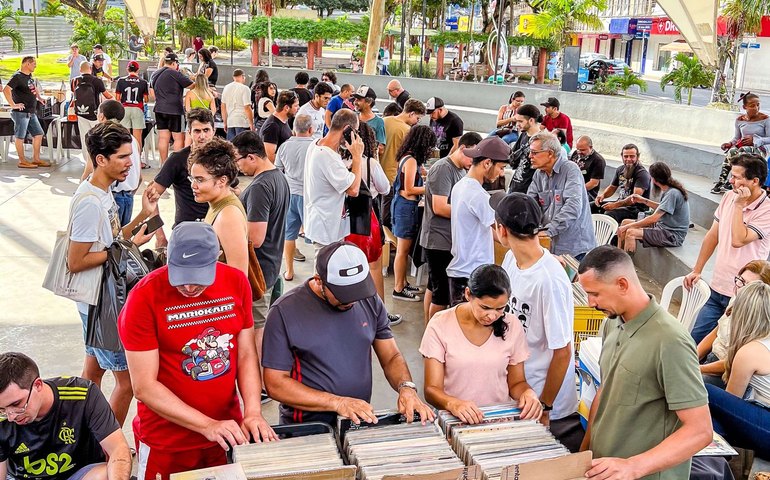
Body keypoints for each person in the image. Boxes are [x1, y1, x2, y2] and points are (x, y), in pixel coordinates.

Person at [118, 222, 276, 480]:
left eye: (199, 277)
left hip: (226, 434)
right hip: (167, 441)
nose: (189, 287)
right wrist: (207, 425)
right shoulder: (144, 297)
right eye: (181, 276)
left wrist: (253, 412)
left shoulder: (236, 282)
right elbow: (144, 386)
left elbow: (246, 355)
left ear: (217, 258)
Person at [262, 241, 434, 426]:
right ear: (319, 280)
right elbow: (275, 383)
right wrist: (337, 402)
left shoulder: (368, 299)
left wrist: (406, 387)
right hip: (308, 426)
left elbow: (391, 356)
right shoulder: (284, 312)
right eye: (343, 293)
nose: (352, 300)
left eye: (357, 290)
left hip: (356, 419)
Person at [578, 246, 713, 479]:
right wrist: (585, 451)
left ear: (622, 284)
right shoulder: (612, 322)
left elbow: (700, 431)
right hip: (605, 468)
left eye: (595, 294)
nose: (590, 303)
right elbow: (605, 390)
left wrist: (633, 466)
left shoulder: (671, 341)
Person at [68, 121, 158, 425]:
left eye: (130, 155)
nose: (130, 163)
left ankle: (83, 434)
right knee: (128, 382)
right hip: (102, 304)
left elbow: (112, 239)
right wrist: (123, 250)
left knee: (93, 371)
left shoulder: (102, 192)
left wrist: (144, 215)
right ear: (100, 159)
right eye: (122, 157)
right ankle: (108, 443)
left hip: (98, 300)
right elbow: (76, 261)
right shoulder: (90, 203)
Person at [494, 192, 581, 450]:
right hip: (518, 387)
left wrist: (545, 406)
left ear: (502, 230)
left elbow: (563, 352)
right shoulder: (511, 259)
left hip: (545, 400)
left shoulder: (549, 280)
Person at [420, 264, 543, 424]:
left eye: (500, 308)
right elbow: (431, 389)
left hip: (498, 422)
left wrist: (527, 393)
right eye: (485, 307)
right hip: (456, 421)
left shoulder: (512, 325)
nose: (492, 316)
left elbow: (516, 382)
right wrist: (453, 404)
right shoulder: (440, 324)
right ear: (468, 294)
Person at [0, 352, 132, 480]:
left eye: (16, 404)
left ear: (38, 385)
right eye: (2, 409)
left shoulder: (83, 395)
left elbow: (118, 449)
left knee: (108, 474)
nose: (11, 417)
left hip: (78, 474)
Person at [685, 152, 770, 344]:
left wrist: (739, 206)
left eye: (737, 177)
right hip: (718, 288)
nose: (731, 181)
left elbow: (738, 240)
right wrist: (697, 269)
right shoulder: (729, 196)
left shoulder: (767, 210)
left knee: (724, 349)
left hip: (744, 296)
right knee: (693, 343)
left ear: (754, 181)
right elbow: (712, 235)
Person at [233, 131, 290, 351]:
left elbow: (255, 238)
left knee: (257, 330)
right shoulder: (277, 177)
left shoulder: (259, 187)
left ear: (251, 157)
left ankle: (258, 372)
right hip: (272, 265)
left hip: (259, 271)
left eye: (238, 160)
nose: (237, 167)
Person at [342, 121, 400, 324]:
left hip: (345, 218)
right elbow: (385, 188)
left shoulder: (339, 162)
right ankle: (379, 313)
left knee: (348, 265)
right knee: (374, 267)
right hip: (368, 217)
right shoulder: (370, 164)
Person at [421, 132, 481, 322]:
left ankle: (429, 328)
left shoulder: (461, 170)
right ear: (463, 148)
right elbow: (439, 207)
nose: (473, 163)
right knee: (441, 294)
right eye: (472, 157)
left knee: (434, 287)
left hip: (449, 240)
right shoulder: (443, 169)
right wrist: (468, 213)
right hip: (438, 241)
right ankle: (434, 331)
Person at [706, 281, 770, 458]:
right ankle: (717, 460)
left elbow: (729, 402)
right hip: (762, 419)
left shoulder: (750, 351)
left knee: (705, 391)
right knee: (711, 421)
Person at [446, 137, 510, 306]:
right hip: (472, 275)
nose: (501, 173)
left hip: (462, 271)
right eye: (501, 167)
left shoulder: (460, 186)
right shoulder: (477, 194)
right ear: (487, 163)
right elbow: (500, 230)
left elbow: (489, 229)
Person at [697, 260, 770, 387]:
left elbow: (733, 362)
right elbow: (717, 332)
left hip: (727, 373)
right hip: (712, 357)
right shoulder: (736, 298)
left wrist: (697, 368)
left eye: (748, 287)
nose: (740, 290)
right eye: (741, 281)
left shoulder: (759, 322)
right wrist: (694, 356)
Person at [304, 109, 363, 255]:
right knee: (325, 267)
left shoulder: (316, 144)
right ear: (347, 129)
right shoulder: (327, 156)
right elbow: (354, 190)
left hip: (323, 223)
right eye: (355, 131)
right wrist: (357, 157)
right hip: (326, 227)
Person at [527, 132, 596, 258]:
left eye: (534, 152)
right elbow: (530, 204)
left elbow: (573, 207)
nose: (530, 156)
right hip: (549, 245)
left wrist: (549, 230)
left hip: (573, 249)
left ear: (550, 153)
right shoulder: (539, 174)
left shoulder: (570, 169)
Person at [190, 137, 249, 276]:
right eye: (192, 178)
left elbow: (239, 277)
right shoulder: (217, 204)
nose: (193, 185)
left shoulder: (228, 216)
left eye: (200, 180)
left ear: (222, 181)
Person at [391, 125, 436, 302]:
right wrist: (429, 189)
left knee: (404, 249)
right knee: (402, 250)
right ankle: (398, 288)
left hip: (405, 206)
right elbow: (409, 189)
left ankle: (403, 282)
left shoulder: (409, 158)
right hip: (406, 207)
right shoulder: (410, 161)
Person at [149, 108, 215, 228]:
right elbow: (150, 197)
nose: (202, 136)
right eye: (197, 131)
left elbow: (235, 192)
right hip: (186, 229)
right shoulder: (177, 159)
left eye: (206, 130)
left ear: (213, 131)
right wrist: (158, 233)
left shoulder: (222, 158)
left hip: (216, 228)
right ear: (189, 132)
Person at [83, 100, 142, 227]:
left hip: (111, 196)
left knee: (108, 235)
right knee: (121, 236)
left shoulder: (99, 140)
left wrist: (81, 191)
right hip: (129, 196)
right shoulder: (131, 139)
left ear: (101, 116)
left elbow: (89, 171)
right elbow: (140, 177)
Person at [617, 162, 690, 253]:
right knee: (625, 222)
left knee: (630, 233)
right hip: (663, 227)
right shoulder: (670, 190)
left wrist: (627, 227)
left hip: (672, 235)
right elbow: (662, 207)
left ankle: (627, 261)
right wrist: (643, 200)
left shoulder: (672, 193)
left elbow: (654, 218)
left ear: (654, 180)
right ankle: (619, 256)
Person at [275, 114, 314, 280]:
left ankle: (289, 271)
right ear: (311, 129)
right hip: (309, 197)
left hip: (290, 194)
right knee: (316, 238)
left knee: (289, 235)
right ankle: (317, 274)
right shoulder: (316, 146)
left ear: (294, 129)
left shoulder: (284, 146)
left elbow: (278, 170)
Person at [712, 92, 770, 194]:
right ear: (744, 107)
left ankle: (733, 180)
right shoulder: (740, 120)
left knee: (743, 151)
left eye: (758, 105)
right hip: (743, 147)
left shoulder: (765, 119)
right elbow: (736, 138)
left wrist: (755, 140)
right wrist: (729, 144)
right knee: (732, 151)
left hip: (760, 149)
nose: (756, 108)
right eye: (752, 106)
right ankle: (722, 181)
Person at [381, 99, 426, 229]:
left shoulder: (384, 121)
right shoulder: (408, 131)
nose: (417, 121)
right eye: (417, 118)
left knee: (380, 210)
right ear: (411, 113)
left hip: (378, 173)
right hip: (392, 176)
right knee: (388, 216)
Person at [3, 56, 49, 169]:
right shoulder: (17, 77)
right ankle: (22, 161)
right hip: (21, 113)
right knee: (20, 136)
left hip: (31, 112)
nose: (35, 66)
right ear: (27, 64)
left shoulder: (29, 76)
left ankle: (36, 159)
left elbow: (33, 88)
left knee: (38, 134)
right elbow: (6, 90)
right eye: (34, 64)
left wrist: (39, 97)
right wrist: (13, 105)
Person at [150, 53, 194, 164]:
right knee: (178, 138)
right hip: (175, 109)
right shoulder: (175, 73)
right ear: (174, 63)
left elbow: (151, 93)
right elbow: (191, 85)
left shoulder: (154, 74)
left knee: (163, 137)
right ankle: (176, 165)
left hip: (159, 108)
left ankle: (164, 163)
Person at [594, 144, 652, 223]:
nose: (628, 159)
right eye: (626, 156)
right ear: (622, 156)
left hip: (636, 209)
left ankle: (607, 231)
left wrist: (615, 205)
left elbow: (634, 198)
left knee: (609, 214)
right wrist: (602, 196)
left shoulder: (642, 174)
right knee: (592, 206)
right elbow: (612, 187)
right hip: (620, 203)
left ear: (637, 157)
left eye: (632, 156)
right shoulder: (620, 170)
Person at [72, 61, 113, 169]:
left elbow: (74, 96)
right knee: (98, 138)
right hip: (95, 115)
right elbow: (107, 96)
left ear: (80, 70)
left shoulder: (75, 80)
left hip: (81, 114)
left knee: (85, 138)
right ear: (90, 69)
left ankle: (88, 163)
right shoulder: (97, 81)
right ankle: (98, 161)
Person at [115, 61, 150, 156]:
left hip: (125, 109)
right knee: (137, 137)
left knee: (125, 136)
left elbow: (117, 98)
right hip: (137, 109)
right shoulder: (143, 82)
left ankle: (125, 156)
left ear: (127, 69)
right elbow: (146, 99)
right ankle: (137, 158)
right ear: (138, 70)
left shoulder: (121, 81)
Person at [507, 104, 542, 194]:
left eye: (520, 121)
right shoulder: (523, 134)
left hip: (528, 191)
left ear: (531, 120)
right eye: (517, 121)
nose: (517, 124)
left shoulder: (542, 140)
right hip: (514, 186)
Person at [261, 90, 298, 163]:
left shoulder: (283, 120)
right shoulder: (272, 126)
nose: (298, 108)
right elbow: (270, 157)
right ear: (286, 108)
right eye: (296, 106)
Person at [569, 135, 606, 207]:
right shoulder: (575, 153)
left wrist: (576, 190)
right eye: (578, 149)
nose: (579, 152)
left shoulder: (598, 160)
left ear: (591, 147)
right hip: (572, 186)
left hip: (587, 192)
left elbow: (594, 183)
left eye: (582, 150)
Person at [220, 69, 254, 141]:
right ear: (243, 76)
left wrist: (225, 122)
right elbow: (247, 107)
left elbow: (223, 107)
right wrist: (251, 123)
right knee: (242, 145)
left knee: (231, 146)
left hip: (230, 121)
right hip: (242, 122)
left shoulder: (226, 88)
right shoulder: (245, 88)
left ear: (233, 77)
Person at [352, 85, 385, 154]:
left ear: (369, 102)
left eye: (359, 100)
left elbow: (381, 149)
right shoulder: (353, 117)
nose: (355, 102)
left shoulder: (378, 122)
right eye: (355, 99)